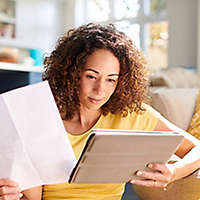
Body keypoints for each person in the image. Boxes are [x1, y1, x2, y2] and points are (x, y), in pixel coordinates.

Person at [0, 23, 200, 200]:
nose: (100, 90)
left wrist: (174, 171)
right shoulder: (41, 119)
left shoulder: (130, 115)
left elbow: (196, 149)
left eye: (111, 79)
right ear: (71, 73)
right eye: (91, 76)